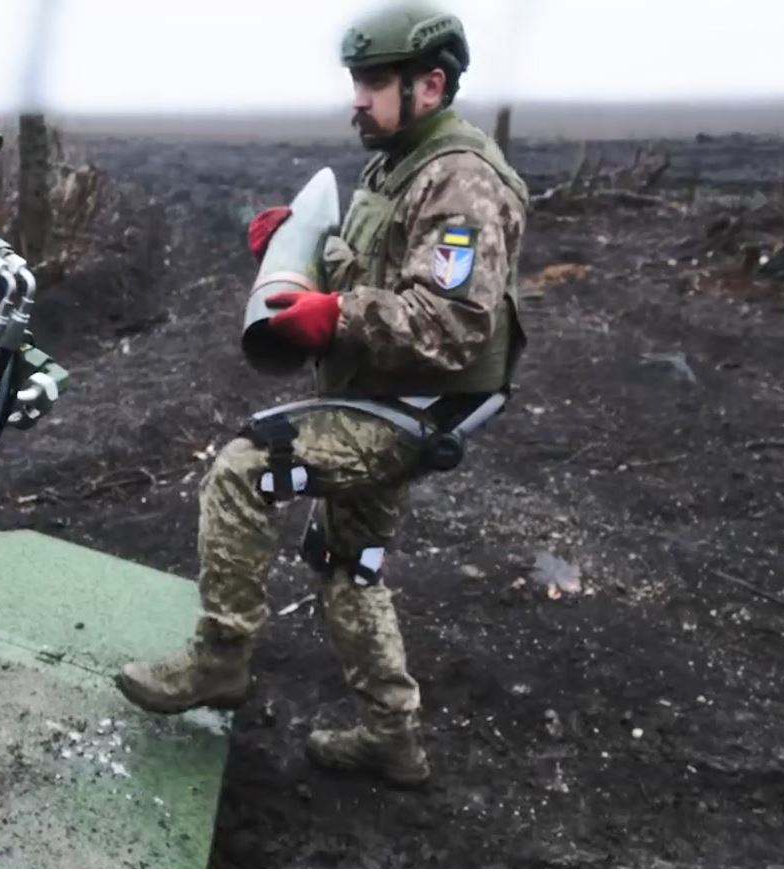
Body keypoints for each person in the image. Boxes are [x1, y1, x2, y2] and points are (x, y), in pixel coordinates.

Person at [115, 0, 529, 788]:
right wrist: (302, 250)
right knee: (350, 563)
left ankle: (220, 657)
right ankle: (390, 734)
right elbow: (380, 268)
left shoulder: (461, 183)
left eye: (375, 83)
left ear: (431, 84)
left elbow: (452, 325)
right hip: (380, 394)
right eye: (357, 81)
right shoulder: (401, 161)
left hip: (406, 412)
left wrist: (334, 315)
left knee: (246, 469)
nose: (358, 99)